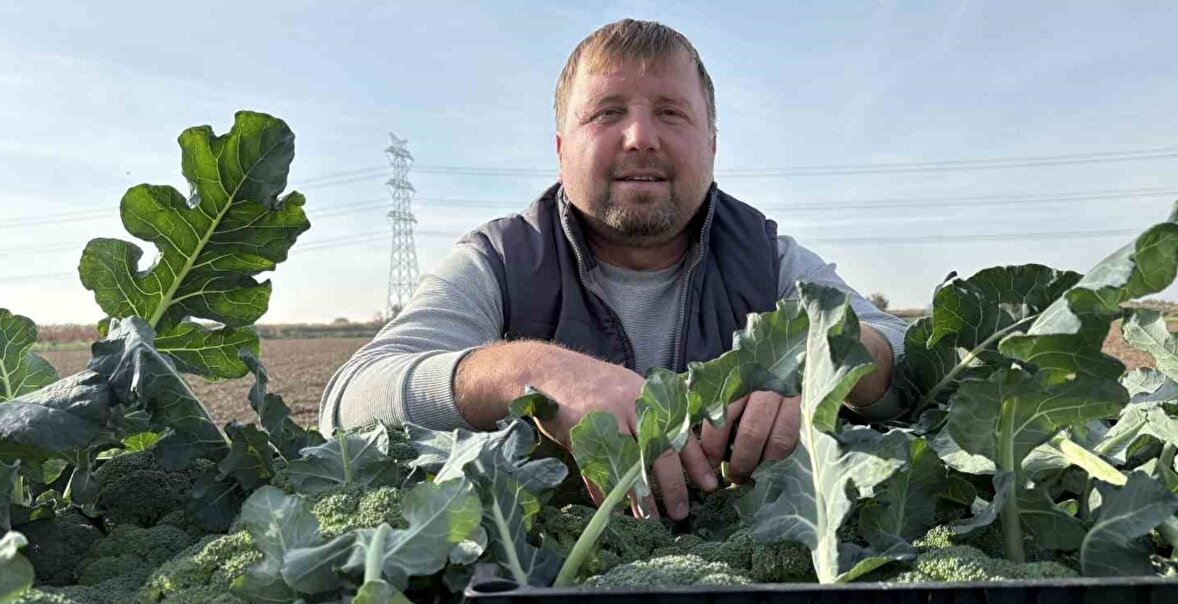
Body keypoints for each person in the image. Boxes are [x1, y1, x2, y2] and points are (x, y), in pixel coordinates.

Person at [318, 19, 908, 521]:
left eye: (672, 114)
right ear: (560, 147)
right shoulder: (500, 260)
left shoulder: (768, 259)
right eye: (607, 113)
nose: (640, 138)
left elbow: (909, 350)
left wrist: (819, 365)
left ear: (712, 142)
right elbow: (350, 400)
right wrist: (529, 372)